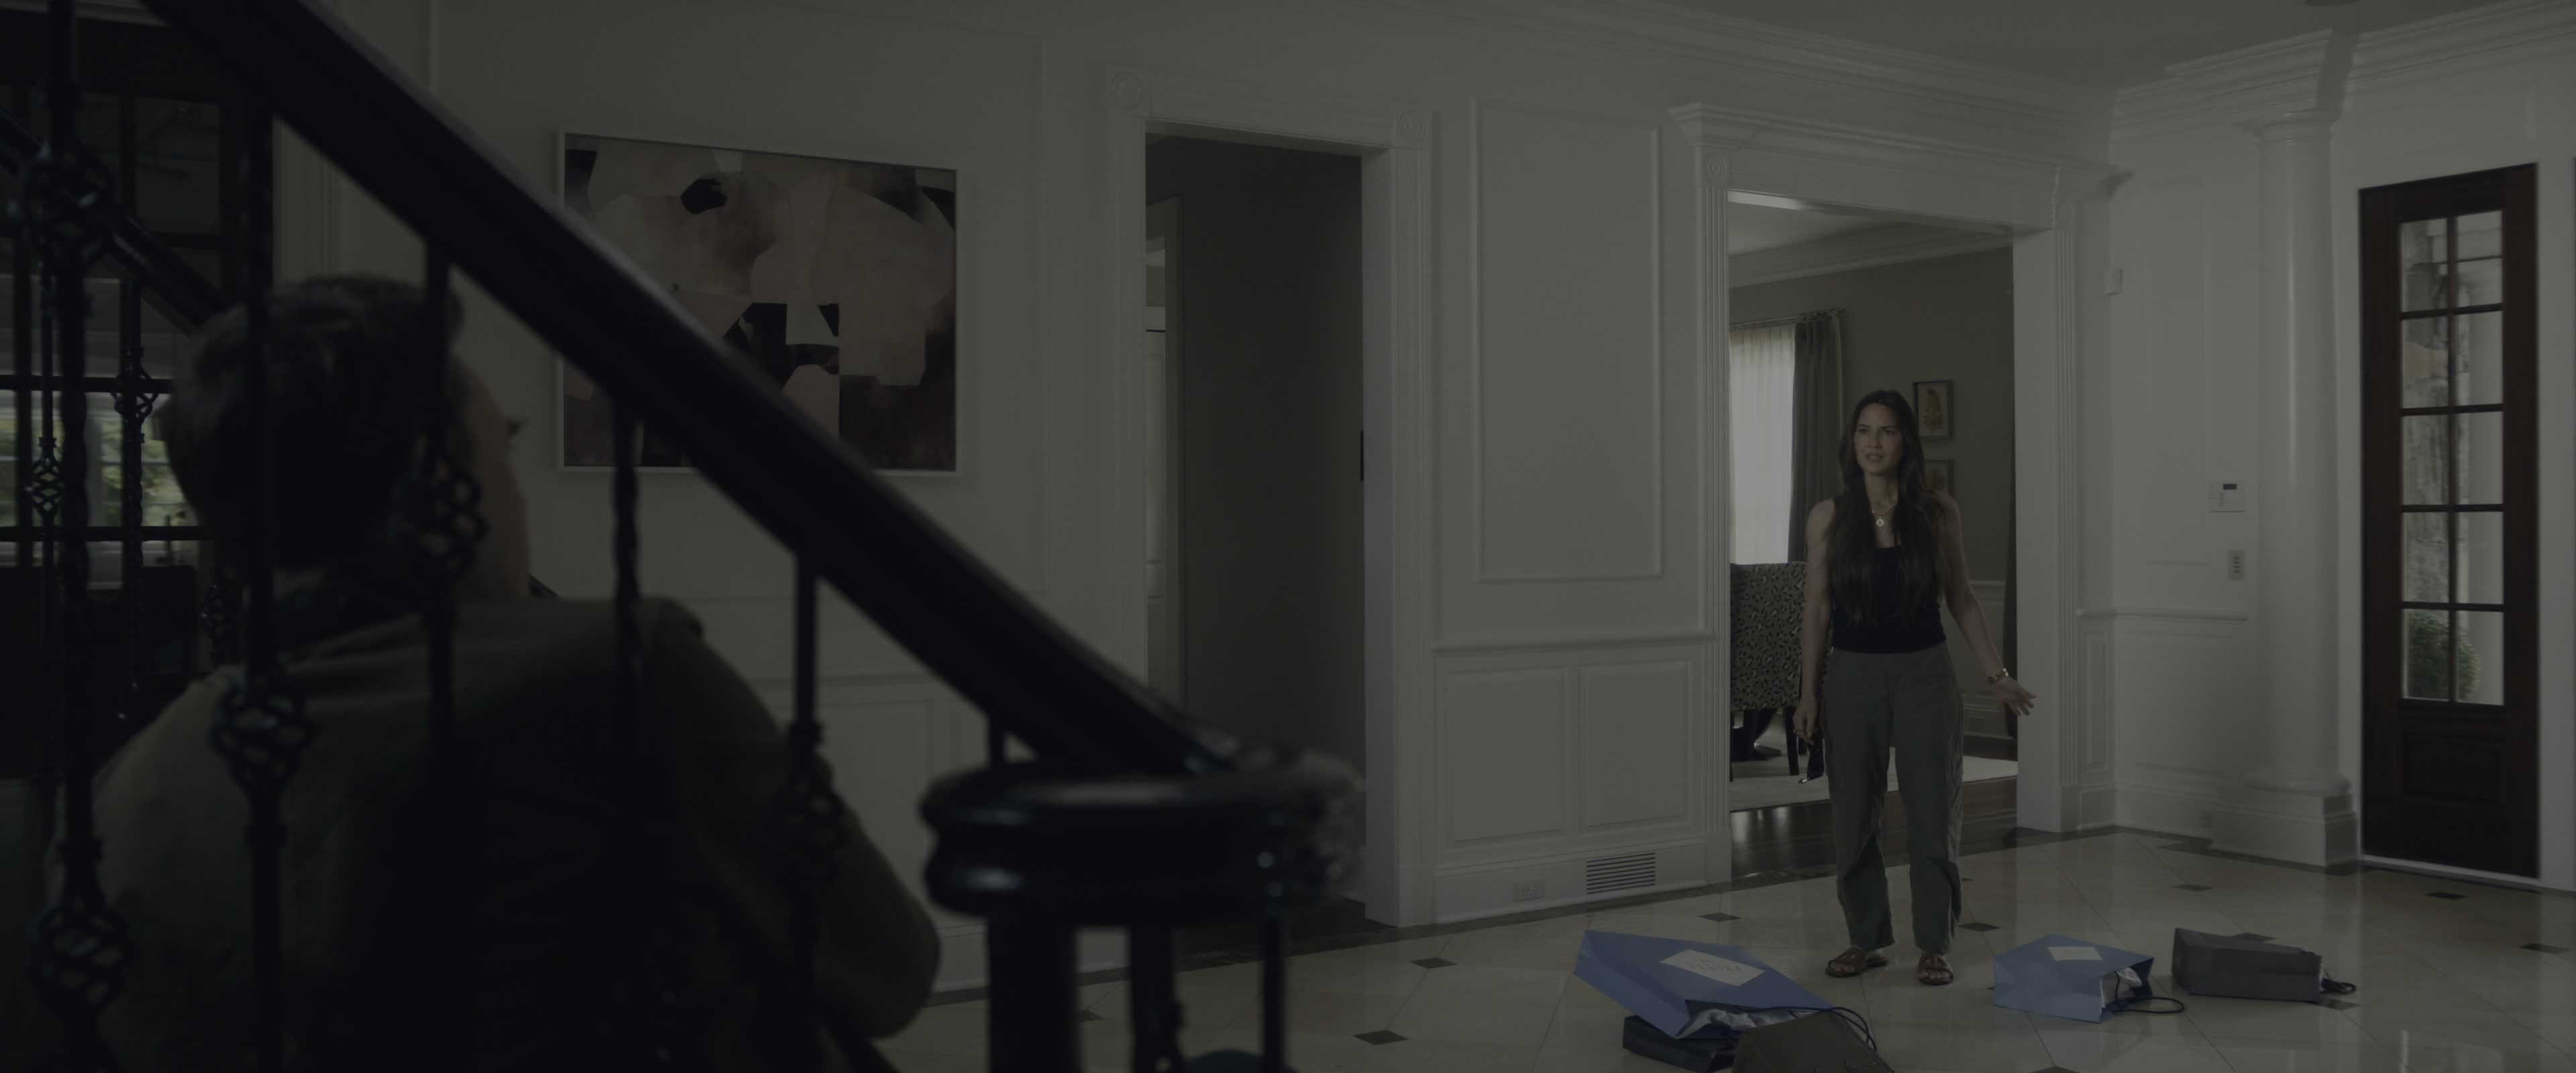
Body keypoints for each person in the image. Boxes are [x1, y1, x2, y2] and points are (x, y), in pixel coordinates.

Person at [40, 276, 939, 1069]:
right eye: (505, 451)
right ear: (444, 486)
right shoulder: (615, 672)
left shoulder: (130, 793)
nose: (520, 494)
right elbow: (887, 967)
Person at [1791, 389, 2035, 988]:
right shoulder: (1828, 517)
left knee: (1933, 811)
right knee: (1854, 816)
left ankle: (1934, 943)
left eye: (1887, 431)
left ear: (1905, 442)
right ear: (1852, 442)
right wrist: (1808, 692)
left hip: (1926, 673)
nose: (1873, 443)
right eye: (1864, 431)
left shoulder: (1937, 511)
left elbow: (1962, 597)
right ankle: (1866, 939)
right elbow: (1816, 611)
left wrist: (1997, 675)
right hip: (1851, 675)